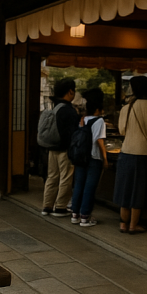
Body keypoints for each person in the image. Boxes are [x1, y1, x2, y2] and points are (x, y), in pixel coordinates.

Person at [113, 75, 147, 234]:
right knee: (138, 190)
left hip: (125, 153)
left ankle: (122, 224)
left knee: (125, 189)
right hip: (143, 155)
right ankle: (133, 225)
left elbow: (122, 131)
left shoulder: (126, 107)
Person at [40, 77, 80, 217]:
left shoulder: (54, 106)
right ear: (70, 91)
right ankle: (61, 207)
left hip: (52, 147)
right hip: (65, 149)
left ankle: (47, 205)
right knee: (65, 177)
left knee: (52, 176)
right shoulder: (69, 110)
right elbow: (72, 133)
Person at [70, 88, 108, 228]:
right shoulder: (99, 121)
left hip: (80, 157)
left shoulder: (83, 119)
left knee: (79, 184)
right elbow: (99, 141)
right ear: (98, 109)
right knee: (89, 187)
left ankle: (75, 214)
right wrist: (105, 158)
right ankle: (85, 217)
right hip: (93, 158)